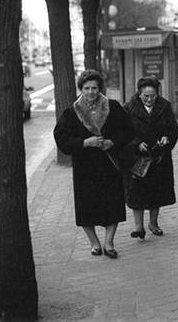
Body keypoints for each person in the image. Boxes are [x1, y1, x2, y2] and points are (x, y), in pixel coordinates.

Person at [54, 69, 135, 259]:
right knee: (86, 207)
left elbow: (129, 130)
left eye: (94, 88)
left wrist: (111, 142)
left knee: (113, 204)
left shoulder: (112, 107)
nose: (91, 92)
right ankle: (94, 242)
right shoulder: (71, 113)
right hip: (85, 167)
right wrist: (84, 143)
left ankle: (109, 243)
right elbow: (61, 138)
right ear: (81, 89)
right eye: (86, 88)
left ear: (100, 89)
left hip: (108, 164)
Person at [123, 76, 178, 239]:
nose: (149, 99)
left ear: (158, 93)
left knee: (157, 191)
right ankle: (138, 226)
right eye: (146, 96)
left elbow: (174, 129)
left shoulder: (165, 106)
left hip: (158, 157)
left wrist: (167, 138)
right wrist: (136, 144)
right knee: (137, 191)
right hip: (138, 159)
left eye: (153, 96)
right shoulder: (128, 109)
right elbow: (123, 132)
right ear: (139, 94)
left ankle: (153, 223)